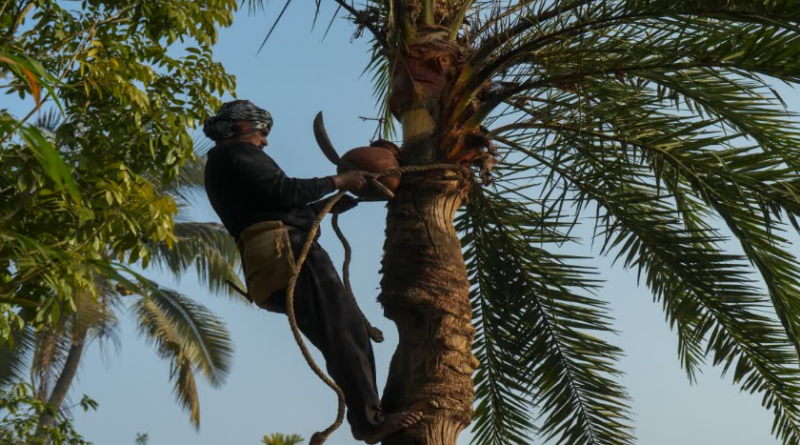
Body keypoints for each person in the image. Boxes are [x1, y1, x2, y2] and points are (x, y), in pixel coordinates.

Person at [202, 100, 422, 444]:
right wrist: (339, 180)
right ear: (243, 127)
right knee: (345, 334)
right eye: (263, 132)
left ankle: (372, 414)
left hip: (271, 261)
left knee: (344, 337)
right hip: (286, 252)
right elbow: (284, 192)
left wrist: (335, 201)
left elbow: (277, 205)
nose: (266, 141)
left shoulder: (225, 162)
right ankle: (369, 421)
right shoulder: (234, 153)